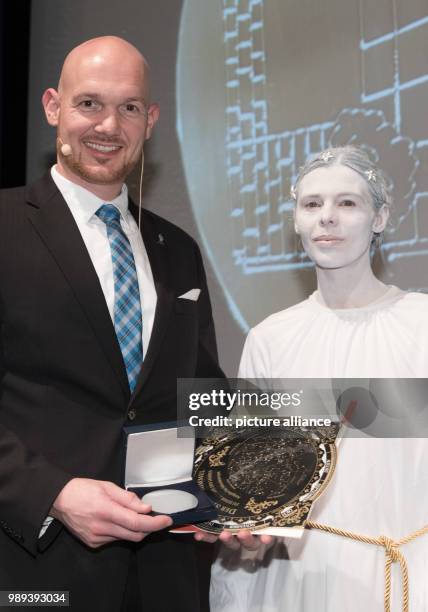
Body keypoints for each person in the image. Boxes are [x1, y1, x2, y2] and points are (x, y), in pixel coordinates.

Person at [0, 36, 225, 611]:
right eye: (89, 104)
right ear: (53, 107)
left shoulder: (177, 250)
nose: (108, 125)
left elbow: (198, 393)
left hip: (165, 577)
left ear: (150, 120)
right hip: (32, 569)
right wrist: (52, 494)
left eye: (128, 108)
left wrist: (238, 490)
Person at [211, 146, 428, 611]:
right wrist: (250, 533)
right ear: (296, 220)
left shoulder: (423, 323)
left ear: (381, 217)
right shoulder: (270, 338)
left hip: (411, 574)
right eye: (312, 204)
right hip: (302, 581)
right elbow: (256, 483)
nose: (326, 218)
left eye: (347, 203)